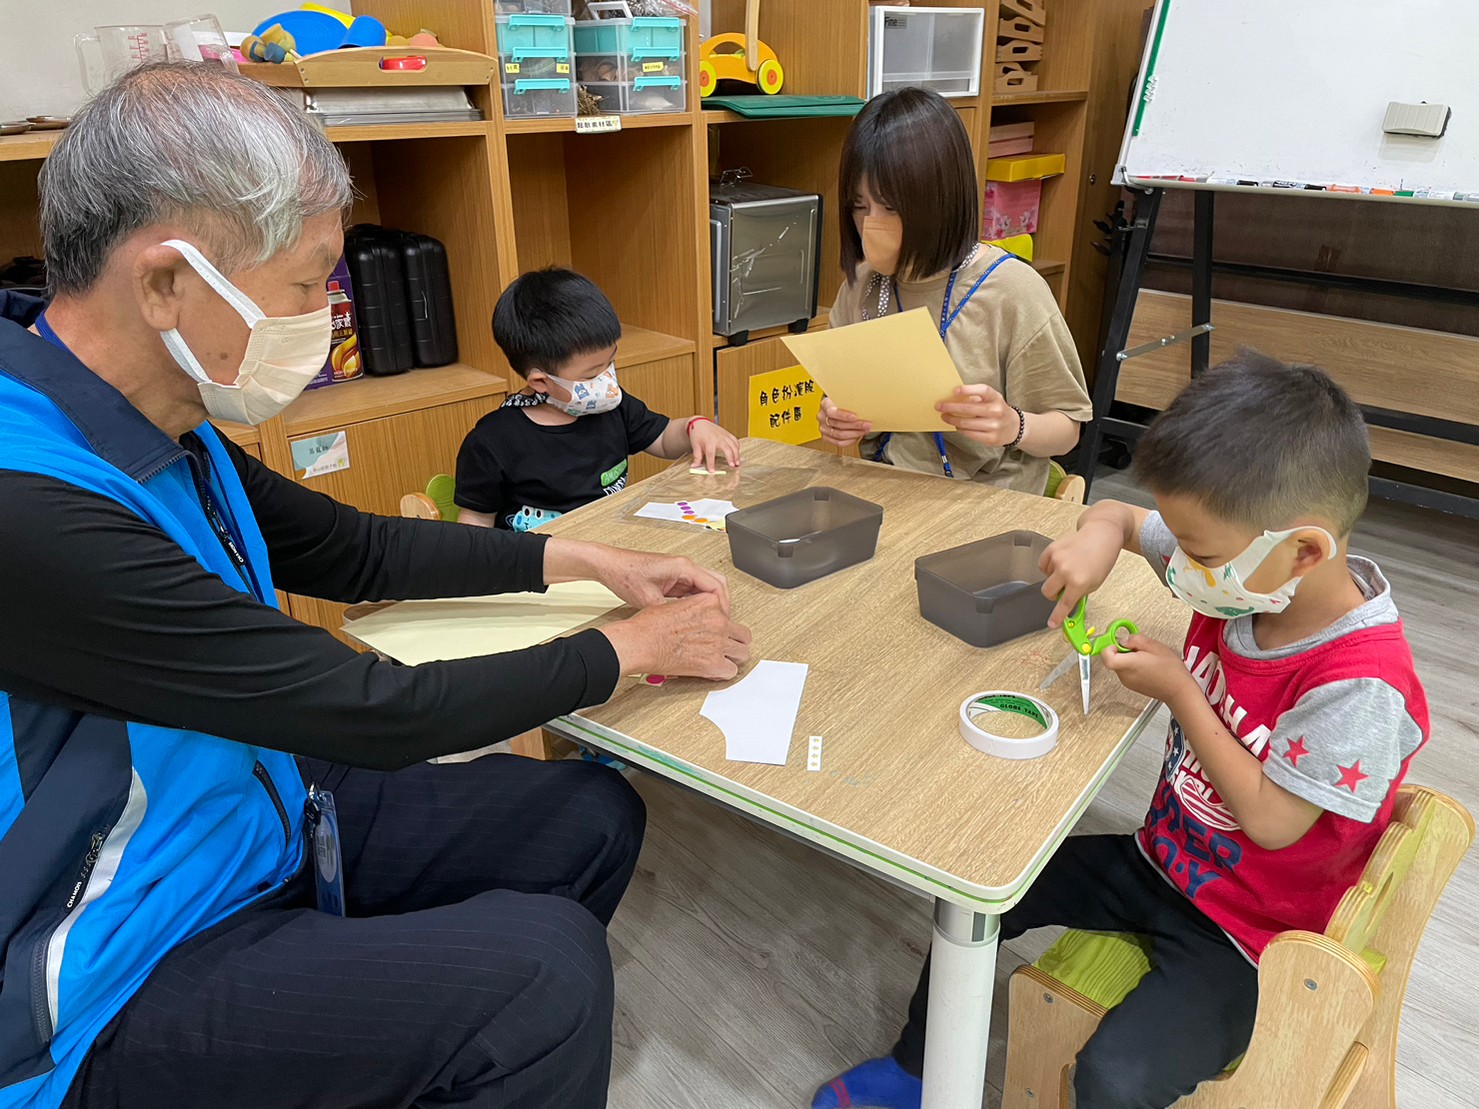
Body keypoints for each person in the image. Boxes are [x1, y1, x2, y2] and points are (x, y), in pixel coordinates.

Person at [0, 64, 752, 1109]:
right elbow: (367, 707)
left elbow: (358, 549)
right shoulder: (30, 498)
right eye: (309, 284)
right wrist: (630, 649)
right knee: (543, 975)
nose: (328, 310)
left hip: (248, 821)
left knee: (588, 810)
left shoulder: (150, 414)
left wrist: (590, 560)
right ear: (168, 282)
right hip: (112, 975)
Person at [815, 352, 1428, 1109]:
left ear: (1303, 549)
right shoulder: (1245, 564)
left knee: (1114, 1077)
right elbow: (1121, 517)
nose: (1187, 564)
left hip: (1250, 936)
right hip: (1161, 861)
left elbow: (1271, 822)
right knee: (973, 904)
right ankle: (915, 1068)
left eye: (1198, 553)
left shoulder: (1359, 680)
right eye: (1184, 543)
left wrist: (1179, 688)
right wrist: (1097, 536)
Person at [817, 87, 1093, 495]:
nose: (870, 224)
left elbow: (1068, 429)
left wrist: (1013, 425)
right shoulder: (861, 285)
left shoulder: (1011, 291)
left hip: (990, 503)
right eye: (860, 206)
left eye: (890, 207)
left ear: (940, 201)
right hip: (888, 491)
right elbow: (843, 403)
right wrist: (836, 419)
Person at [455, 267, 742, 531]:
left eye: (610, 363)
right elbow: (476, 522)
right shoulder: (493, 442)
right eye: (592, 375)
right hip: (543, 568)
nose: (607, 381)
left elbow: (664, 438)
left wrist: (696, 426)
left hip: (612, 543)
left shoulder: (610, 406)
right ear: (541, 382)